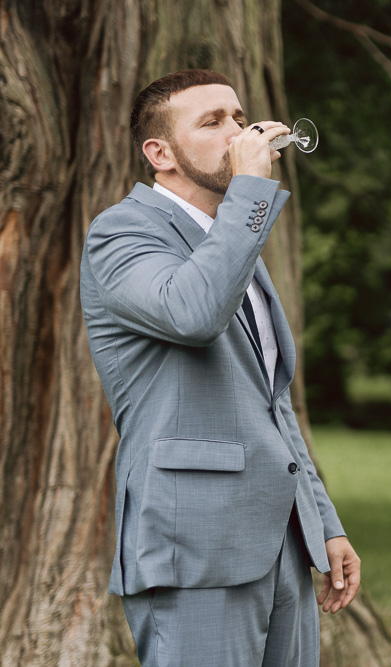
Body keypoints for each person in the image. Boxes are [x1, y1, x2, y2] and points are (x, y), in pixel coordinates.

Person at [80, 69, 360, 666]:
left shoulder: (234, 243)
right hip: (194, 547)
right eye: (212, 122)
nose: (238, 133)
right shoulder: (121, 232)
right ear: (161, 153)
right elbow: (194, 313)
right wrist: (251, 193)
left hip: (281, 541)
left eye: (238, 117)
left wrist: (324, 525)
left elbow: (271, 404)